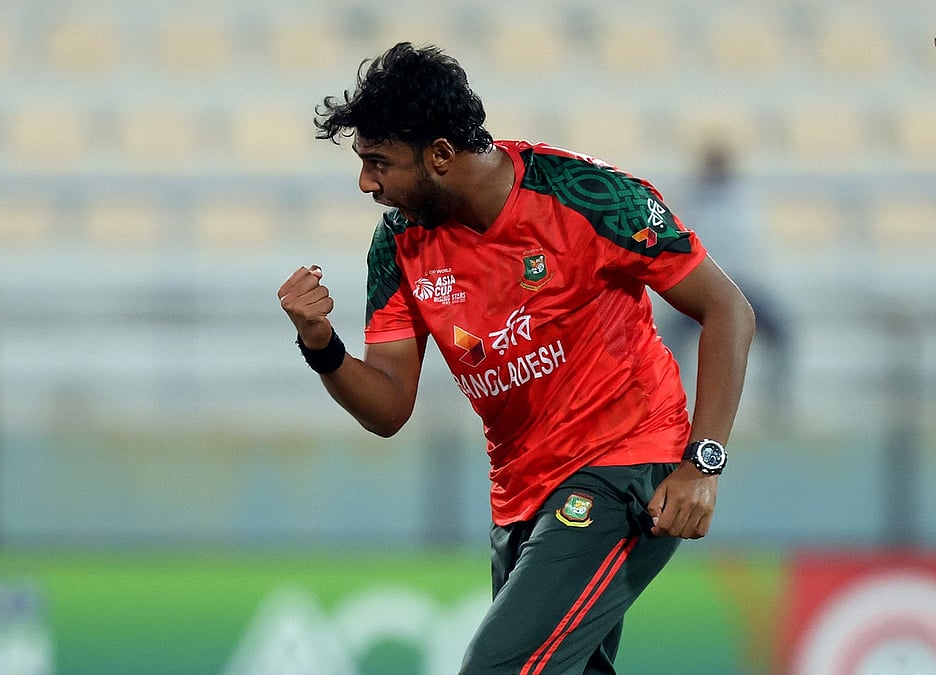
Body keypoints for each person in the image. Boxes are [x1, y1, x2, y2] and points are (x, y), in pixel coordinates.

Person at [276, 42, 755, 675]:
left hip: (624, 469)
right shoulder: (399, 241)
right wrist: (321, 344)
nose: (367, 182)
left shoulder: (587, 195)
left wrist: (704, 462)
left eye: (378, 162)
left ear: (441, 155)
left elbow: (728, 310)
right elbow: (389, 404)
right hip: (521, 498)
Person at [662, 140, 792, 430]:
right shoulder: (691, 196)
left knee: (781, 333)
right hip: (701, 286)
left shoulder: (744, 195)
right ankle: (669, 404)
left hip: (745, 286)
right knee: (665, 343)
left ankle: (776, 402)